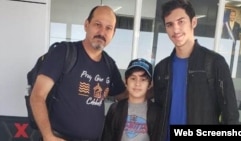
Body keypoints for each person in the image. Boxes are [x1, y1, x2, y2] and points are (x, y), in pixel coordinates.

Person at [30, 5, 126, 141]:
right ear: (86, 25)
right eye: (97, 24)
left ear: (113, 33)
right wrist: (48, 136)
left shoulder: (109, 65)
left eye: (108, 28)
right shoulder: (63, 53)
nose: (102, 32)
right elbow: (37, 96)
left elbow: (123, 95)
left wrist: (152, 91)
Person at [153, 0, 239, 140]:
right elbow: (157, 115)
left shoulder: (215, 63)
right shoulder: (161, 69)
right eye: (170, 24)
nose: (175, 29)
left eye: (181, 21)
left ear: (193, 22)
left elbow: (231, 116)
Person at [101, 58, 161, 141]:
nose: (137, 83)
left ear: (149, 84)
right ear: (126, 81)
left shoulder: (157, 112)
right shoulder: (115, 109)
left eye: (143, 79)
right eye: (133, 78)